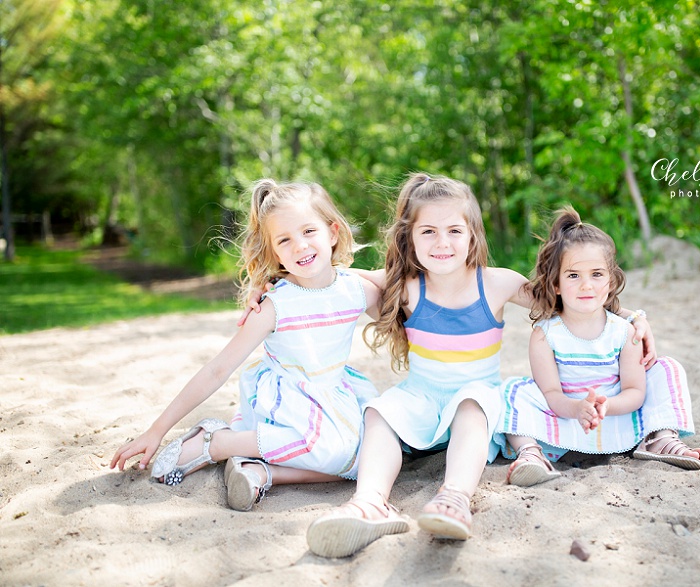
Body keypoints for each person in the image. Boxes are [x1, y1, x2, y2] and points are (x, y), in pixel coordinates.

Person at [301, 174, 655, 558]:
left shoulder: (497, 284)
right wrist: (272, 284)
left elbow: (571, 299)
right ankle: (370, 503)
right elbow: (332, 280)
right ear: (409, 237)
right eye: (429, 231)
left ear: (473, 235)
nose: (442, 242)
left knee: (470, 406)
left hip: (478, 400)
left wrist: (636, 317)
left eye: (454, 230)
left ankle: (453, 497)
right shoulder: (403, 285)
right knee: (379, 412)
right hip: (420, 397)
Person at [109, 179, 382, 512]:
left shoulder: (357, 289)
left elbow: (407, 283)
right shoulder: (275, 305)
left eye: (309, 232)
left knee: (368, 460)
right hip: (288, 397)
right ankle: (219, 442)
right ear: (274, 251)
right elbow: (217, 369)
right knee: (337, 451)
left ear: (333, 232)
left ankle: (261, 472)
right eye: (284, 239)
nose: (300, 246)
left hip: (334, 392)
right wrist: (156, 430)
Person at [494, 207, 700, 488]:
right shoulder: (545, 334)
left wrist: (606, 406)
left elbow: (635, 391)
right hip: (568, 418)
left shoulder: (624, 331)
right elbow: (551, 394)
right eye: (573, 276)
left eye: (596, 274)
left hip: (619, 417)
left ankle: (661, 439)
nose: (586, 285)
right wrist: (577, 408)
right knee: (513, 390)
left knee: (667, 368)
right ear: (555, 283)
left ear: (610, 281)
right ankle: (531, 454)